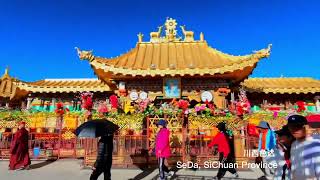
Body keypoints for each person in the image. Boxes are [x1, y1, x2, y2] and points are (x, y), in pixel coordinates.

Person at [287, 114, 320, 179]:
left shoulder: (315, 144)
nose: (294, 130)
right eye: (291, 127)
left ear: (306, 127)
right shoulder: (294, 145)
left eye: (298, 127)